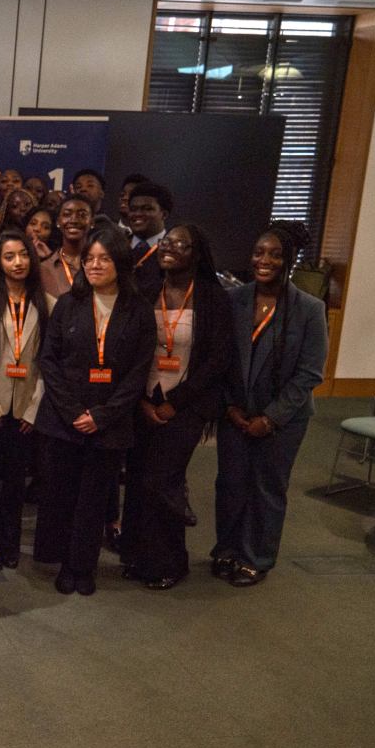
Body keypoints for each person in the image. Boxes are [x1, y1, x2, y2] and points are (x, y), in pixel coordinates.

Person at [33, 228, 155, 596]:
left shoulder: (139, 311)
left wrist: (102, 415)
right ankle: (62, 562)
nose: (95, 265)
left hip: (110, 423)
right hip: (64, 419)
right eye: (89, 259)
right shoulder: (69, 303)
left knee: (94, 499)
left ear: (121, 263)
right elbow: (49, 361)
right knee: (62, 495)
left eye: (104, 259)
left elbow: (138, 372)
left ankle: (82, 567)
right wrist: (73, 411)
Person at [117, 224, 232, 590]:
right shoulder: (147, 290)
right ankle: (135, 555)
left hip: (187, 406)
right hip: (142, 401)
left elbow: (218, 360)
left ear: (196, 254)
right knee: (137, 480)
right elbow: (131, 348)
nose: (169, 249)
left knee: (162, 482)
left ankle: (169, 561)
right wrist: (140, 399)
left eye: (179, 245)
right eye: (166, 244)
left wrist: (174, 404)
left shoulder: (214, 298)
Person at [213, 221, 327, 587]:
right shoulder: (235, 300)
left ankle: (255, 557)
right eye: (259, 252)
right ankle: (227, 548)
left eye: (275, 254)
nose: (265, 260)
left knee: (266, 487)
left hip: (284, 419)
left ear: (289, 260)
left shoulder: (310, 309)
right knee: (230, 483)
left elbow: (310, 373)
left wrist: (271, 418)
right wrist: (230, 406)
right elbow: (221, 359)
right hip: (235, 413)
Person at [0, 229, 54, 570]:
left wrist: (34, 410)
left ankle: (9, 543)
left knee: (16, 482)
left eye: (23, 255)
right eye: (9, 256)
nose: (18, 262)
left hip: (26, 409)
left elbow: (50, 363)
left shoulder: (49, 304)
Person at [39, 194, 93, 297]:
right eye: (67, 214)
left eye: (82, 215)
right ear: (58, 222)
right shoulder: (43, 269)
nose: (74, 220)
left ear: (92, 222)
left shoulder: (100, 265)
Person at [126, 181, 173, 294]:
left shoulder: (174, 250)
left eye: (147, 209)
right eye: (133, 209)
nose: (138, 214)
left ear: (164, 214)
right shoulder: (116, 245)